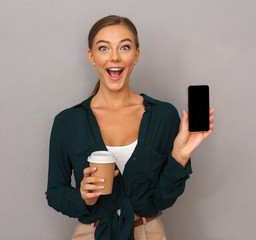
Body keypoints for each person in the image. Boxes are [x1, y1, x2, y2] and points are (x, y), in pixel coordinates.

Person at [46, 15, 214, 240]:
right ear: (91, 56)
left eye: (124, 47)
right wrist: (83, 197)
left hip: (148, 233)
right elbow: (55, 193)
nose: (114, 57)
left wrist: (179, 156)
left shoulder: (164, 116)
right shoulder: (67, 122)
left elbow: (163, 200)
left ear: (136, 55)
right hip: (92, 234)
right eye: (103, 48)